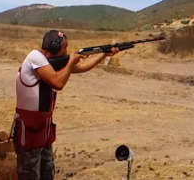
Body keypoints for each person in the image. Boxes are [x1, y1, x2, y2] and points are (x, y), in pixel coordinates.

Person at [9, 30, 119, 180]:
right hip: (28, 131)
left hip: (43, 131)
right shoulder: (35, 57)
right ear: (53, 48)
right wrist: (70, 62)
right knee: (29, 175)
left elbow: (83, 67)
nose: (67, 51)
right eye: (64, 47)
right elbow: (58, 82)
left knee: (48, 174)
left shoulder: (48, 63)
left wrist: (104, 54)